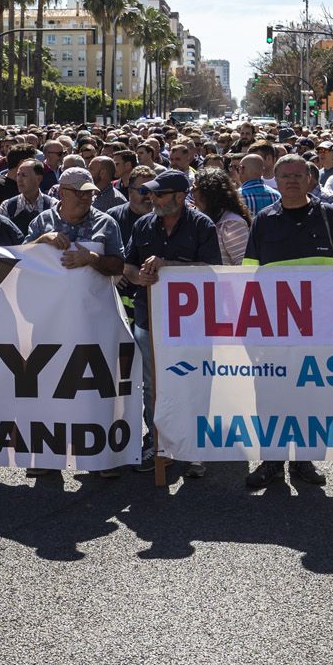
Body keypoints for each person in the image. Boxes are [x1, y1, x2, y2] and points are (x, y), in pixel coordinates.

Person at [243, 154, 333, 490]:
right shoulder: (263, 221)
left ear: (310, 179)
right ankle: (272, 461)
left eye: (298, 175)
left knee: (314, 399)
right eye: (285, 176)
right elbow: (250, 278)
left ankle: (304, 460)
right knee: (271, 398)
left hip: (320, 332)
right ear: (274, 180)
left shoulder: (330, 218)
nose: (292, 181)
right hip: (274, 333)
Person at [124, 169, 221, 477]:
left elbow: (210, 269)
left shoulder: (202, 225)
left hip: (190, 324)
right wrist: (138, 276)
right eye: (150, 193)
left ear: (180, 197)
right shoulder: (142, 225)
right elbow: (128, 265)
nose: (151, 197)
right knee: (153, 385)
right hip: (149, 319)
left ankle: (194, 449)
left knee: (193, 384)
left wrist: (169, 267)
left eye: (159, 194)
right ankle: (157, 444)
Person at [189, 167, 252, 266]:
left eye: (195, 187)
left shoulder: (231, 224)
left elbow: (242, 265)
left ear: (209, 192)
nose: (191, 191)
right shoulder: (195, 219)